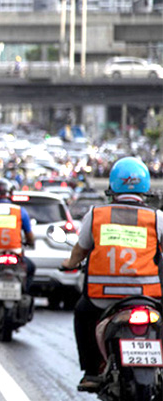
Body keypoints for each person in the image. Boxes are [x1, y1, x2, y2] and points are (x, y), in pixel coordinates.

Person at [61, 157, 163, 391]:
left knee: (82, 314)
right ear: (145, 186)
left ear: (113, 185)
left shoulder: (97, 214)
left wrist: (69, 263)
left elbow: (80, 250)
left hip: (101, 298)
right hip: (147, 299)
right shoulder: (156, 218)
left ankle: (90, 371)